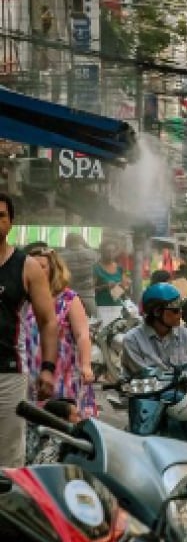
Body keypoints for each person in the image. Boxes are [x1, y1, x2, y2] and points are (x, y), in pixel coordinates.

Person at [120, 283, 187, 459]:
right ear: (156, 312)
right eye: (174, 311)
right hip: (148, 400)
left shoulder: (186, 336)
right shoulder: (132, 339)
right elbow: (144, 373)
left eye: (180, 310)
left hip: (182, 397)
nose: (180, 314)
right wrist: (178, 377)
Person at [0, 194, 59, 469]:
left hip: (9, 370)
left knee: (8, 455)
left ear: (11, 223)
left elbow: (48, 321)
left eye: (1, 216)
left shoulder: (27, 267)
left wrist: (47, 368)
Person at [21, 247, 97, 418]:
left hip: (64, 374)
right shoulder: (22, 299)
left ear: (54, 269)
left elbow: (82, 334)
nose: (37, 271)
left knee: (64, 423)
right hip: (29, 372)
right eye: (33, 266)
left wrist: (86, 365)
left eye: (43, 266)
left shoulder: (68, 298)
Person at [60, 233, 99, 320]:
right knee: (94, 326)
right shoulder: (93, 254)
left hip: (69, 297)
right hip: (88, 296)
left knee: (68, 326)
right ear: (82, 240)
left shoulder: (61, 256)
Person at [92, 239, 130, 325]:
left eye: (113, 251)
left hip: (117, 307)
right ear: (102, 252)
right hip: (102, 307)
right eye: (107, 251)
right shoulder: (96, 268)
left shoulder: (119, 268)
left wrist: (124, 286)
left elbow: (125, 288)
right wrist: (105, 286)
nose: (110, 254)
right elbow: (91, 289)